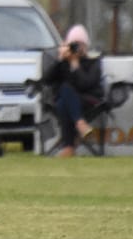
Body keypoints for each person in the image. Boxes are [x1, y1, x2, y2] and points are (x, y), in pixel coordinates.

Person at [43, 24, 104, 157]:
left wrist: (75, 64)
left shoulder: (93, 62)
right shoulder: (63, 63)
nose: (77, 48)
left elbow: (86, 84)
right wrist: (60, 59)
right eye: (74, 44)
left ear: (86, 46)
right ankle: (80, 124)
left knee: (64, 97)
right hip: (68, 101)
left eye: (80, 44)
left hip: (88, 99)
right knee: (63, 98)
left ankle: (68, 147)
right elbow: (47, 80)